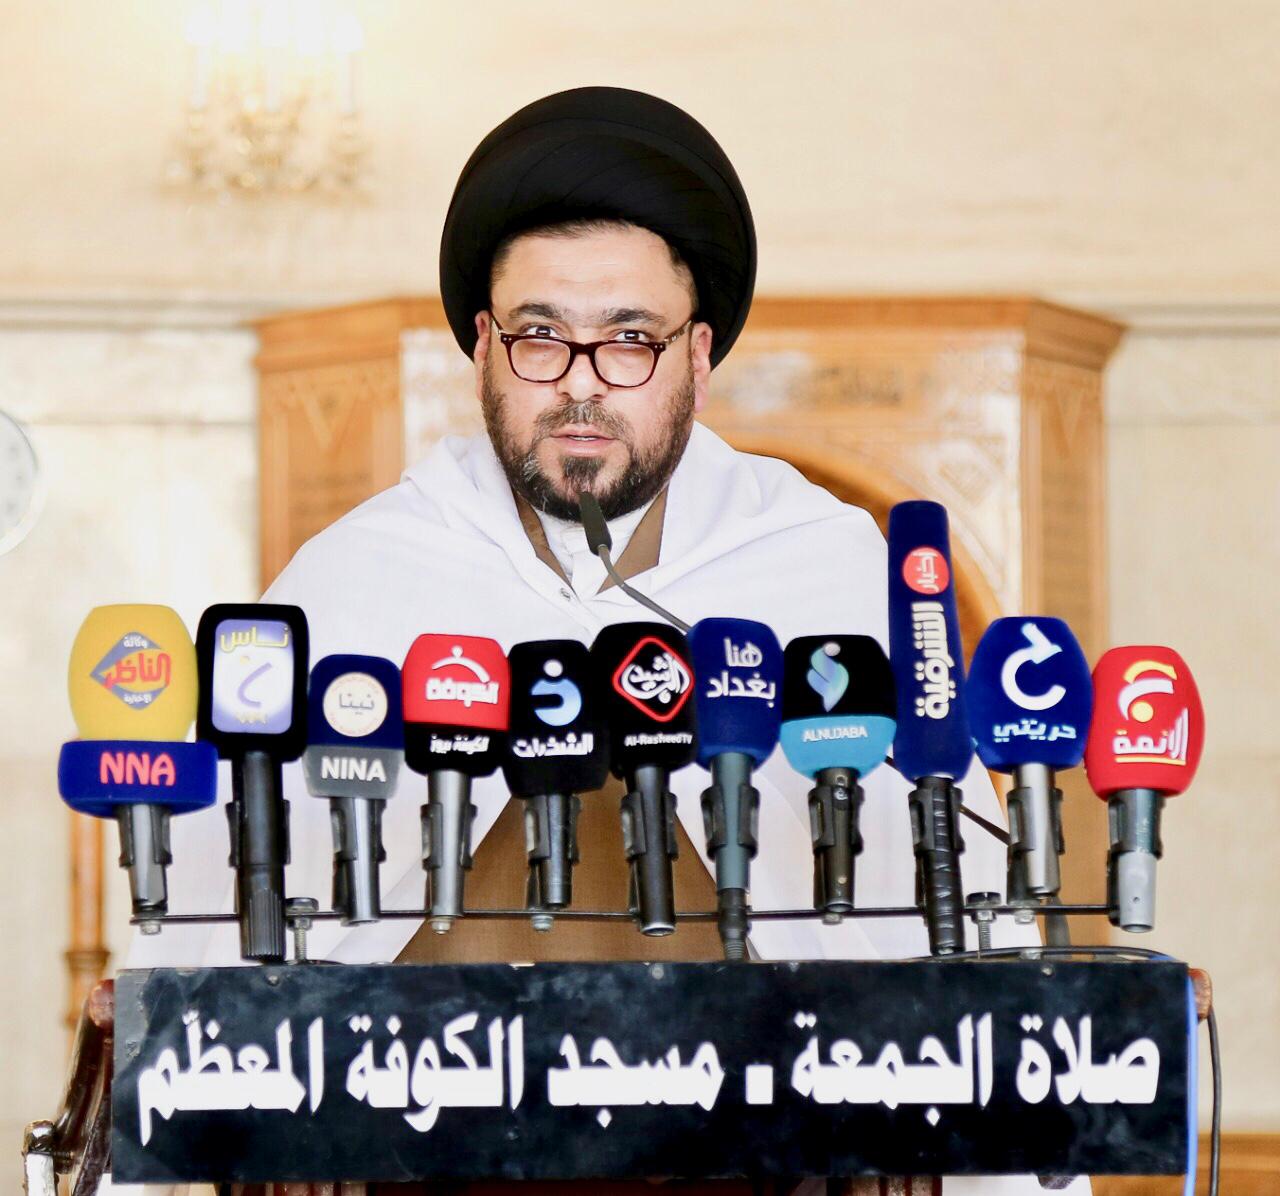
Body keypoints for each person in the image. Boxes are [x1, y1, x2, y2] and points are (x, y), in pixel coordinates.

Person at [130, 87, 1085, 1196]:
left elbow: (949, 926)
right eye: (539, 336)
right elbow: (211, 936)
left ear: (699, 355)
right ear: (481, 347)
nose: (581, 383)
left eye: (630, 339)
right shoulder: (360, 575)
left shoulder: (819, 569)